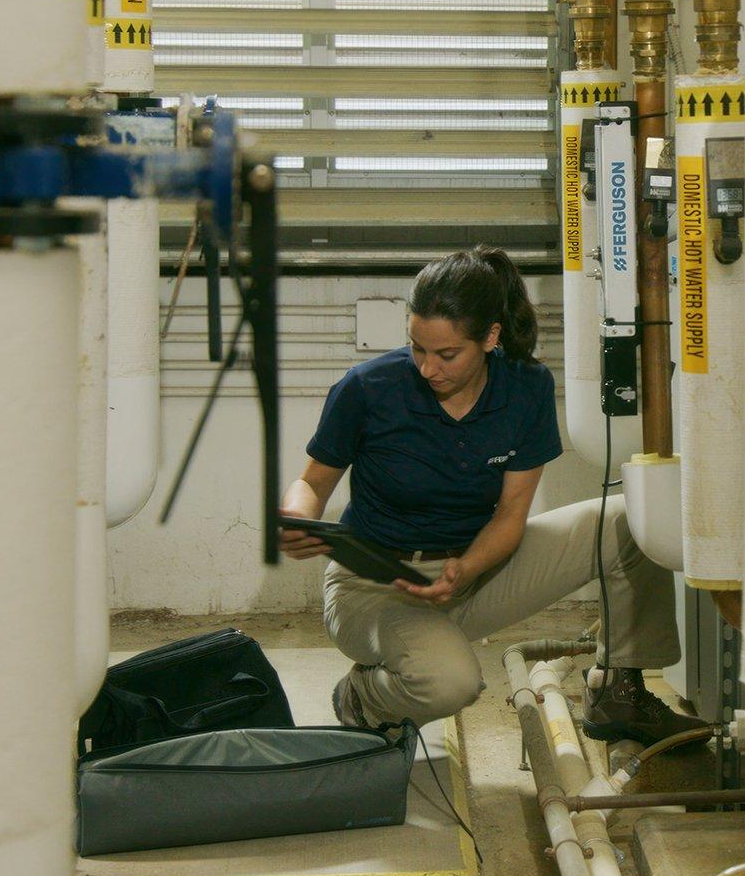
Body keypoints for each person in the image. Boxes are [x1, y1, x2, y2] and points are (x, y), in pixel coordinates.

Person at [281, 246, 704, 745]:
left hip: (477, 571)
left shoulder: (525, 388)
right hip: (376, 586)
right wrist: (296, 516)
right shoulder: (368, 389)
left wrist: (469, 568)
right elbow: (312, 482)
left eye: (446, 355)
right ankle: (361, 697)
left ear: (490, 338)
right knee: (451, 684)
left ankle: (618, 690)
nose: (426, 368)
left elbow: (510, 516)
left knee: (635, 520)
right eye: (417, 348)